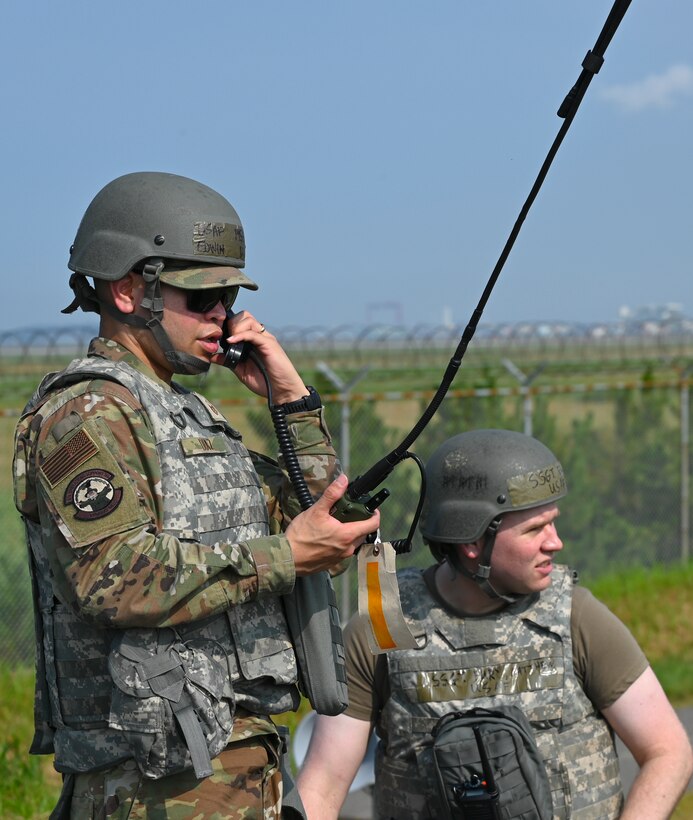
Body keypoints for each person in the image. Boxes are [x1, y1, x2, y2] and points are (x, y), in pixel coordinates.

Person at [12, 171, 379, 819]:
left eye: (229, 295)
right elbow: (111, 577)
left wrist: (291, 403)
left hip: (238, 769)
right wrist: (281, 558)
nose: (223, 315)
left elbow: (328, 529)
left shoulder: (194, 419)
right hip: (155, 782)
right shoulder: (90, 413)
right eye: (201, 297)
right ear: (129, 291)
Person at [297, 429, 693, 819]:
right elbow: (325, 783)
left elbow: (668, 751)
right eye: (534, 529)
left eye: (552, 523)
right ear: (471, 543)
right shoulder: (383, 622)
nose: (555, 542)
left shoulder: (576, 617)